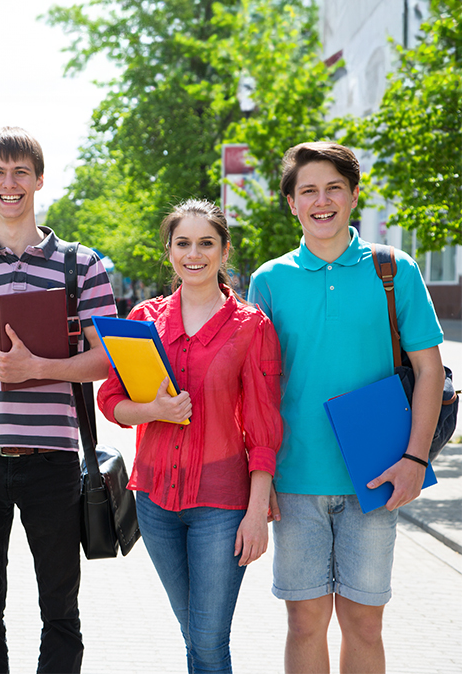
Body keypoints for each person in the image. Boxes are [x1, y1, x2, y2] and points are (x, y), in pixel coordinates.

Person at [248, 142, 446, 674]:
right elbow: (259, 389)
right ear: (291, 202)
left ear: (354, 195)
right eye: (308, 190)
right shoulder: (269, 280)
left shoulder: (394, 270)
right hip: (295, 480)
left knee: (364, 624)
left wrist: (416, 459)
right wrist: (259, 481)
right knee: (304, 623)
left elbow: (430, 371)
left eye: (334, 187)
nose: (322, 200)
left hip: (377, 477)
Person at [0, 126, 117, 674]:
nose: (9, 183)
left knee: (60, 609)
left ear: (39, 180)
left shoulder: (81, 264)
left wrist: (40, 367)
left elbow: (108, 359)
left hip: (55, 462)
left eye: (21, 172)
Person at [96, 199, 283, 673]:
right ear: (170, 250)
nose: (193, 253)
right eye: (183, 243)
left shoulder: (251, 326)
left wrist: (258, 511)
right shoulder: (143, 319)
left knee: (206, 636)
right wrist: (152, 410)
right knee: (195, 634)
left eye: (206, 243)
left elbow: (264, 427)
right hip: (154, 502)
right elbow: (110, 400)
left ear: (224, 251)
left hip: (220, 505)